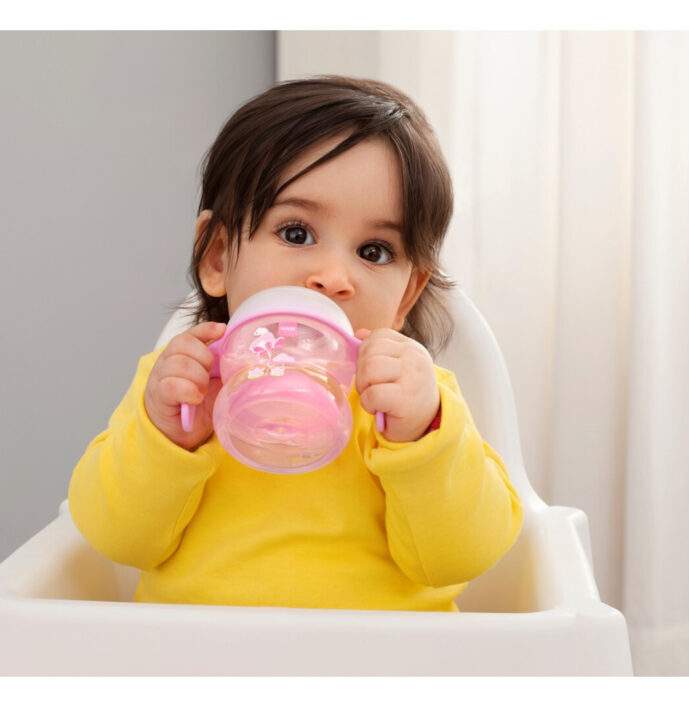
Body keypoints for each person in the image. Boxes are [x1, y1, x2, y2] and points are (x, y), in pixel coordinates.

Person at [68, 76, 523, 611]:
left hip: (382, 655)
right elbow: (115, 543)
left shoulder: (419, 405)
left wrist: (420, 440)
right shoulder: (180, 388)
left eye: (374, 251)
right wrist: (167, 440)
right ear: (218, 256)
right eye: (296, 233)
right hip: (199, 652)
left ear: (406, 296)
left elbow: (463, 557)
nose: (333, 277)